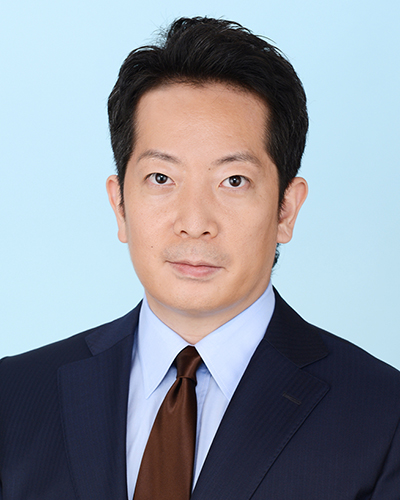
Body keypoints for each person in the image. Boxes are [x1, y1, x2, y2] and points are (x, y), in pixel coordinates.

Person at [0, 16, 399, 500]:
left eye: (234, 181)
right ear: (119, 205)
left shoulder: (383, 417)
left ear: (286, 210)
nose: (194, 222)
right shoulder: (14, 396)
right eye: (161, 178)